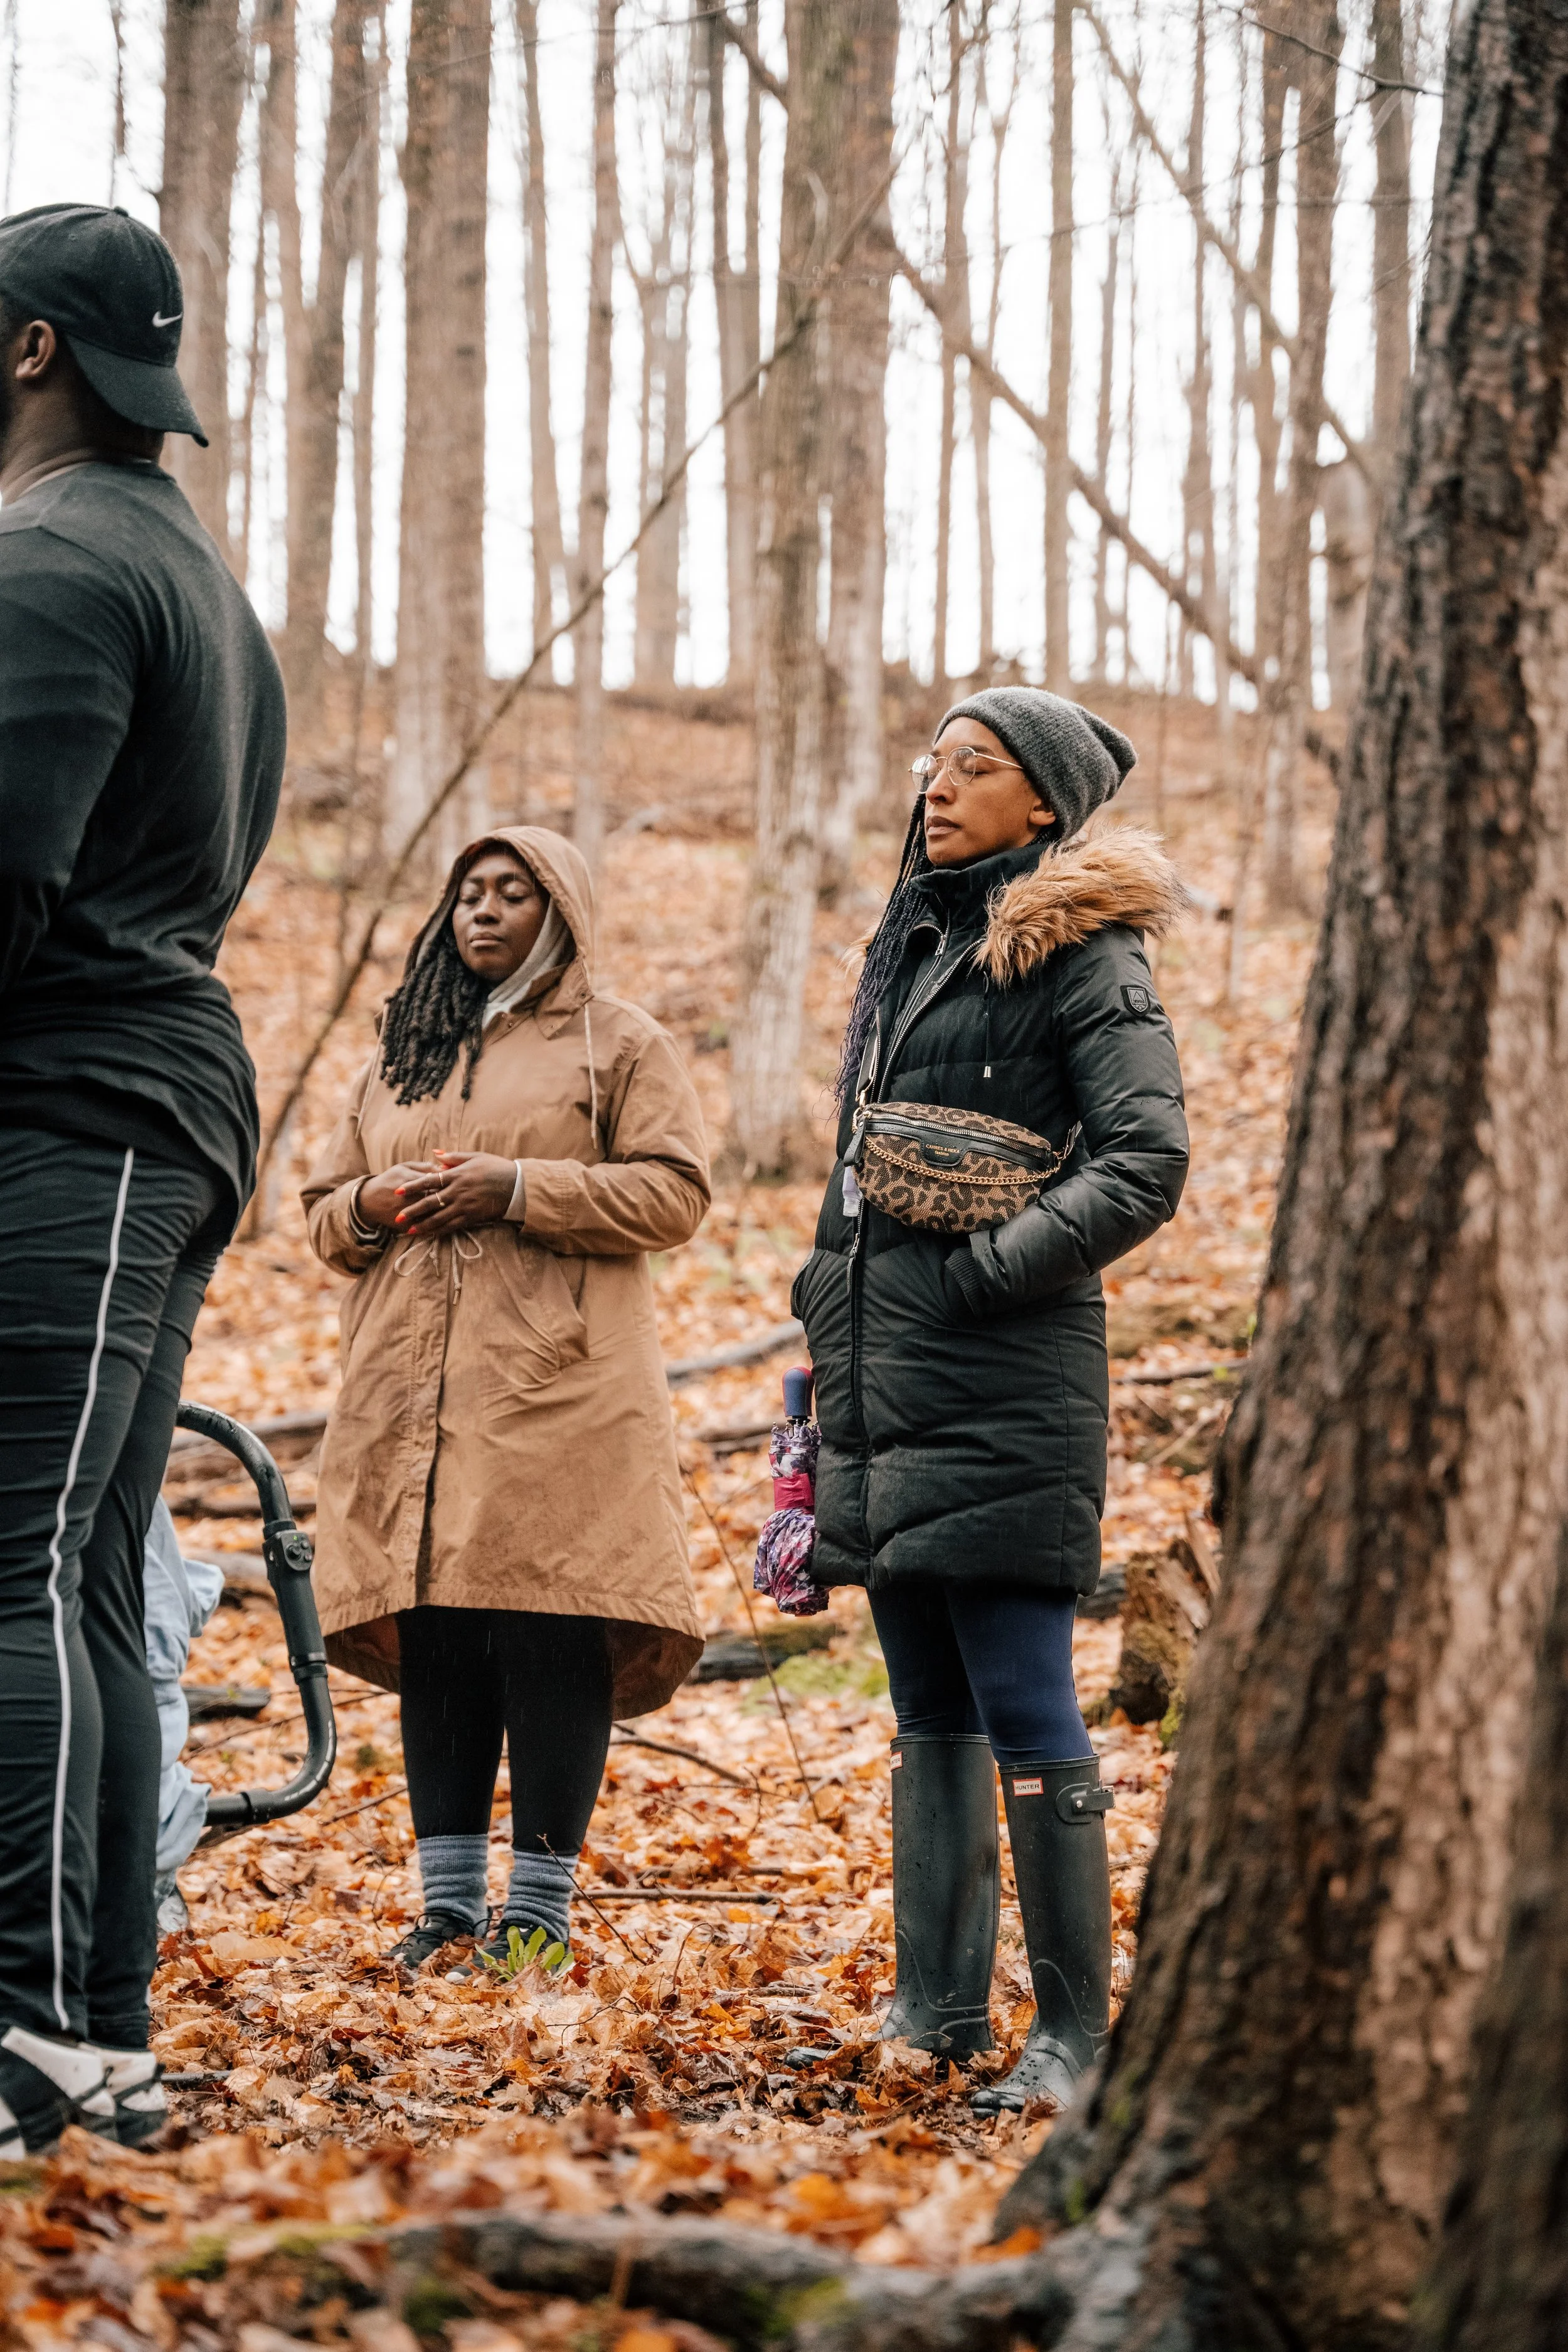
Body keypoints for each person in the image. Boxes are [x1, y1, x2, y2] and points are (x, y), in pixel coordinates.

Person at [792, 687, 1189, 2115]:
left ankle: (1075, 2041)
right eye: (931, 763)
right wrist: (823, 1309)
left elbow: (1144, 1163)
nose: (938, 786)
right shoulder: (914, 949)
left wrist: (980, 1279)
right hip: (879, 1379)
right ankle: (939, 2008)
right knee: (927, 1710)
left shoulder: (1085, 951)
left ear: (1046, 804)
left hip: (1002, 1376)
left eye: (976, 768)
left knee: (1025, 1704)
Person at [0, 204, 285, 2153]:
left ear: (31, 352)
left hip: (78, 1109)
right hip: (139, 1104)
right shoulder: (184, 564)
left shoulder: (54, 558)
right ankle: (94, 2031)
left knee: (16, 1560)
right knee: (87, 1571)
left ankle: (24, 2023)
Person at [303, 827, 710, 1974]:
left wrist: (519, 1186)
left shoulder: (620, 1041)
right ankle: (445, 1907)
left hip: (559, 1384)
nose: (484, 912)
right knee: (434, 1626)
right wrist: (375, 1200)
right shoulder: (405, 1046)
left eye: (512, 893)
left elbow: (676, 1192)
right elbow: (324, 1210)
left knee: (549, 1620)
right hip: (403, 1381)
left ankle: (535, 1916)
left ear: (561, 909)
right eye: (469, 894)